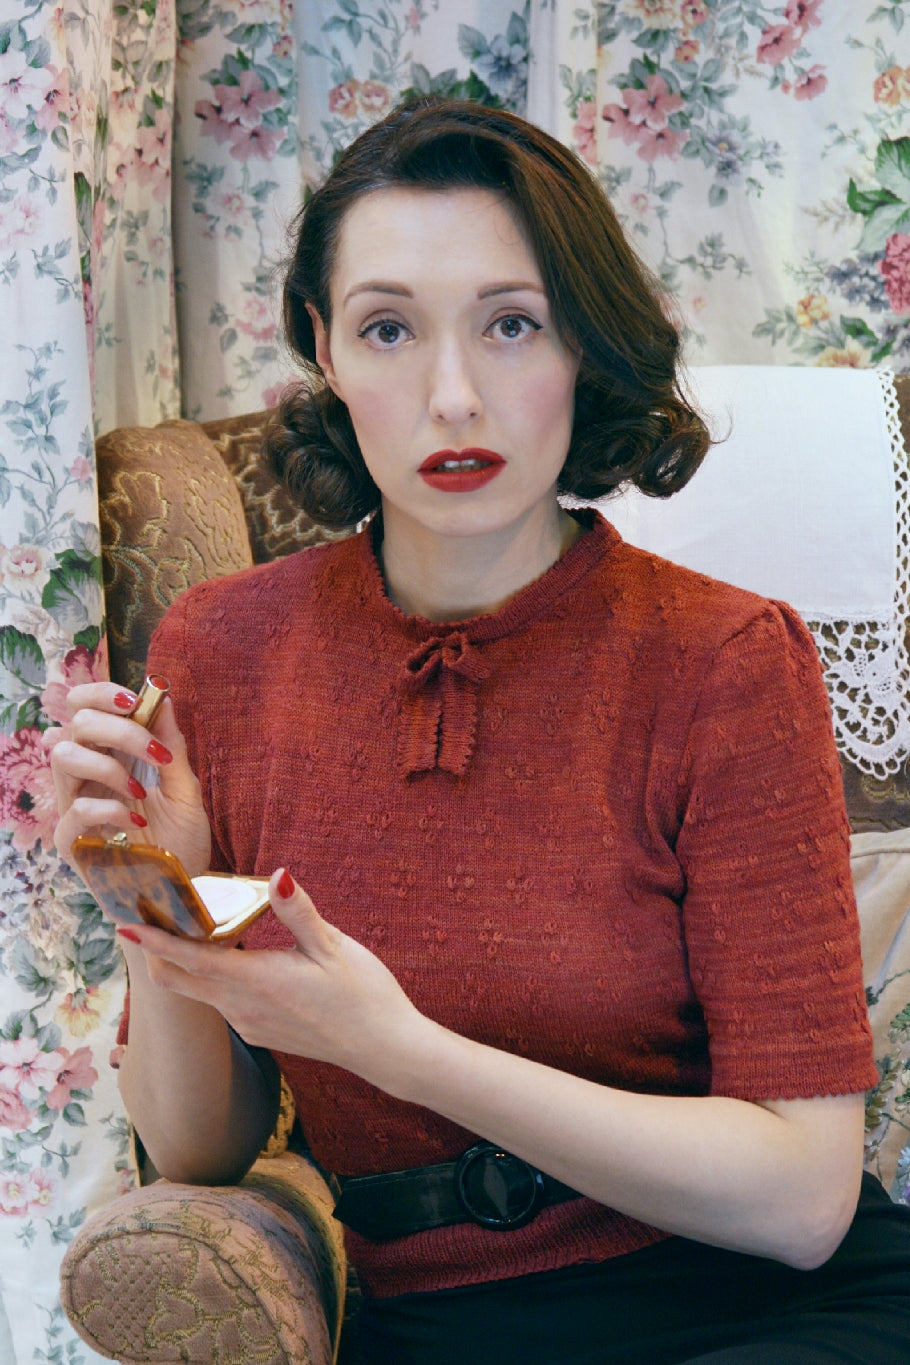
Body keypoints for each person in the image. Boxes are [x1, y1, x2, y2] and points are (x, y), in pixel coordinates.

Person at [49, 98, 910, 1365]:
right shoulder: (222, 651)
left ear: (582, 346)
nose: (452, 397)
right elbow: (199, 1149)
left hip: (769, 1307)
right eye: (388, 329)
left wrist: (396, 1051)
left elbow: (800, 1201)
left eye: (511, 324)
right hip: (445, 1328)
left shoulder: (725, 661)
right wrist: (158, 900)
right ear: (323, 348)